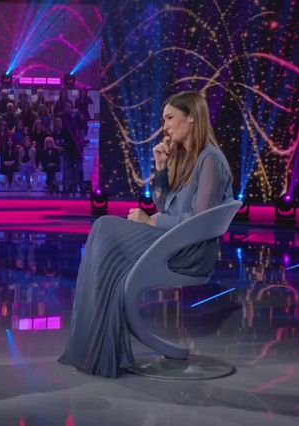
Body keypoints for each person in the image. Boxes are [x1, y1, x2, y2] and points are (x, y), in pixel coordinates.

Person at [58, 91, 233, 378]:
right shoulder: (188, 158)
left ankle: (98, 349)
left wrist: (151, 222)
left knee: (104, 228)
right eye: (164, 120)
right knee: (104, 234)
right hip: (174, 243)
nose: (165, 126)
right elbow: (166, 206)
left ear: (191, 117)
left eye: (170, 118)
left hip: (190, 254)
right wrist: (162, 169)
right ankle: (95, 347)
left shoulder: (210, 159)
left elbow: (199, 223)